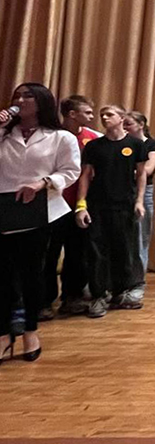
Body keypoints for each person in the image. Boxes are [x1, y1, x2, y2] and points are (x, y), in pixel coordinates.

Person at [0, 83, 80, 363]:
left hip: (40, 210)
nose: (20, 100)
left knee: (32, 274)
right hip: (4, 208)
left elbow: (70, 171)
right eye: (17, 96)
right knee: (3, 276)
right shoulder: (4, 134)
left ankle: (30, 331)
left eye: (28, 96)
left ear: (42, 102)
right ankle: (3, 334)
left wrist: (43, 183)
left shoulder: (60, 137)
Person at [75, 105, 147, 317]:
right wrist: (81, 205)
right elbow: (85, 175)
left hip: (124, 205)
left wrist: (139, 201)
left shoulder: (135, 145)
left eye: (109, 114)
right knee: (97, 251)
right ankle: (98, 295)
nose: (104, 118)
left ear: (122, 118)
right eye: (102, 115)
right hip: (98, 205)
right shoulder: (94, 146)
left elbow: (141, 174)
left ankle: (120, 292)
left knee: (123, 249)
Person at [40, 95, 100, 319]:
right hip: (52, 204)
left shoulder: (93, 138)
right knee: (49, 254)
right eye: (87, 112)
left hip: (79, 206)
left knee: (77, 254)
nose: (92, 116)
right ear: (72, 114)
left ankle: (72, 297)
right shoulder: (51, 136)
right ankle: (43, 301)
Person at [124, 111, 155, 286]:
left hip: (144, 191)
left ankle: (138, 279)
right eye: (123, 124)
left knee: (141, 235)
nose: (125, 127)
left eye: (128, 124)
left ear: (141, 125)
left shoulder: (152, 144)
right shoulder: (122, 143)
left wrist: (122, 170)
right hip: (122, 190)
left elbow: (148, 169)